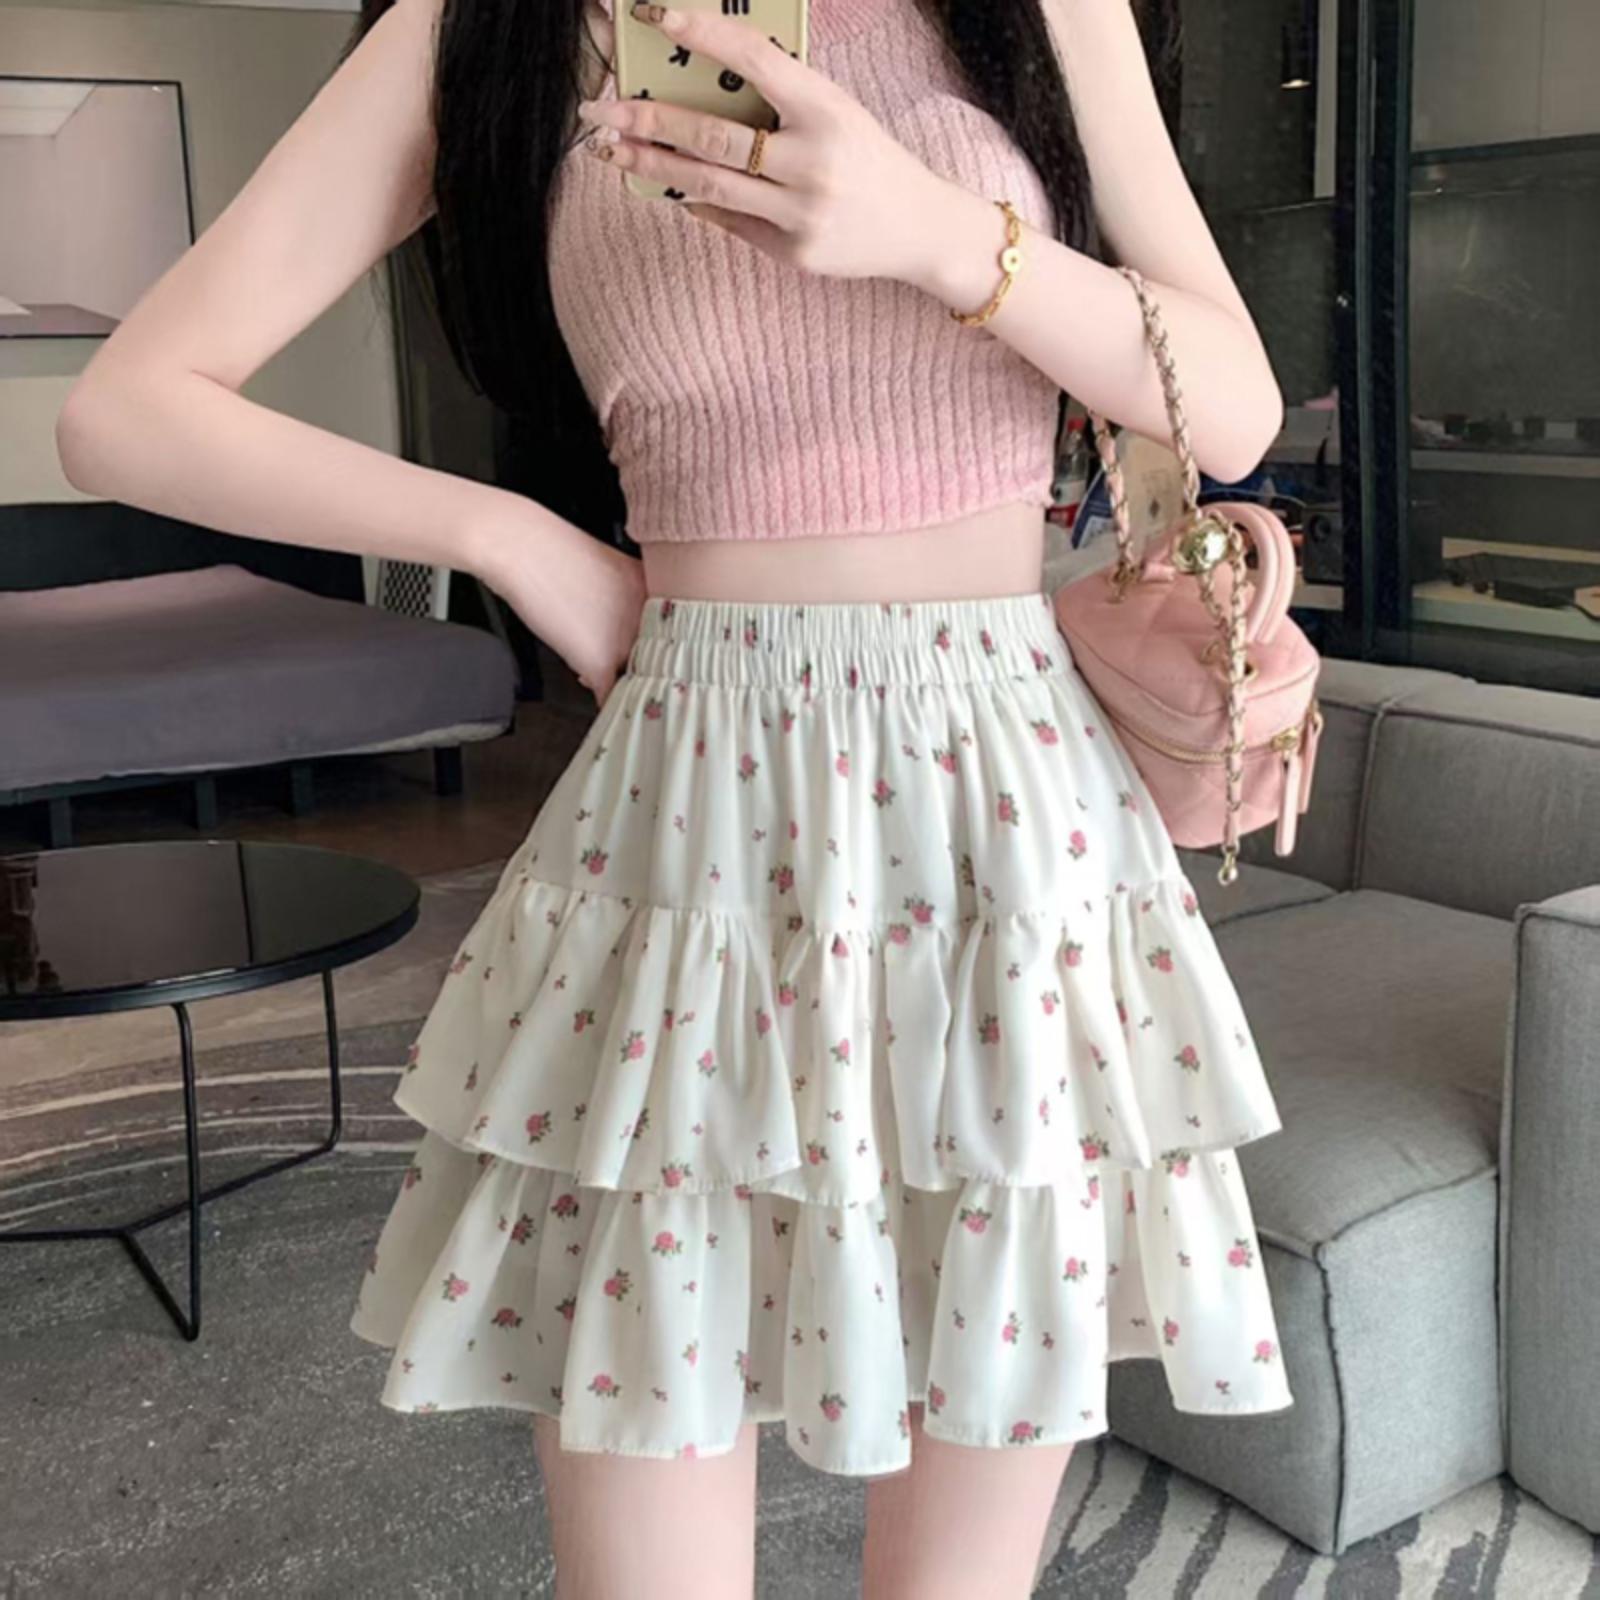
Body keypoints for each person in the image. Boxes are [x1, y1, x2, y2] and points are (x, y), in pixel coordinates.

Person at [54, 1, 1295, 1595]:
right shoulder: (488, 24)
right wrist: (512, 539)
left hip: (1003, 821)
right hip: (694, 815)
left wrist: (932, 233)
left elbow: (1231, 404)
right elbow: (125, 410)